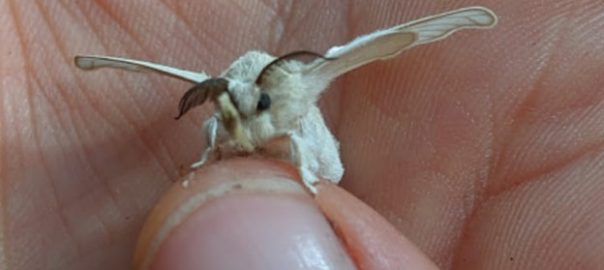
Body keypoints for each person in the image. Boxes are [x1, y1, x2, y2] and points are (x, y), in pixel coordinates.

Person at [2, 1, 603, 269]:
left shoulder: (297, 86)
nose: (237, 123)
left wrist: (308, 180)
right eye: (230, 112)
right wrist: (215, 143)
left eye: (248, 110)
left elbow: (291, 136)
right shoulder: (230, 106)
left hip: (320, 164)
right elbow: (219, 123)